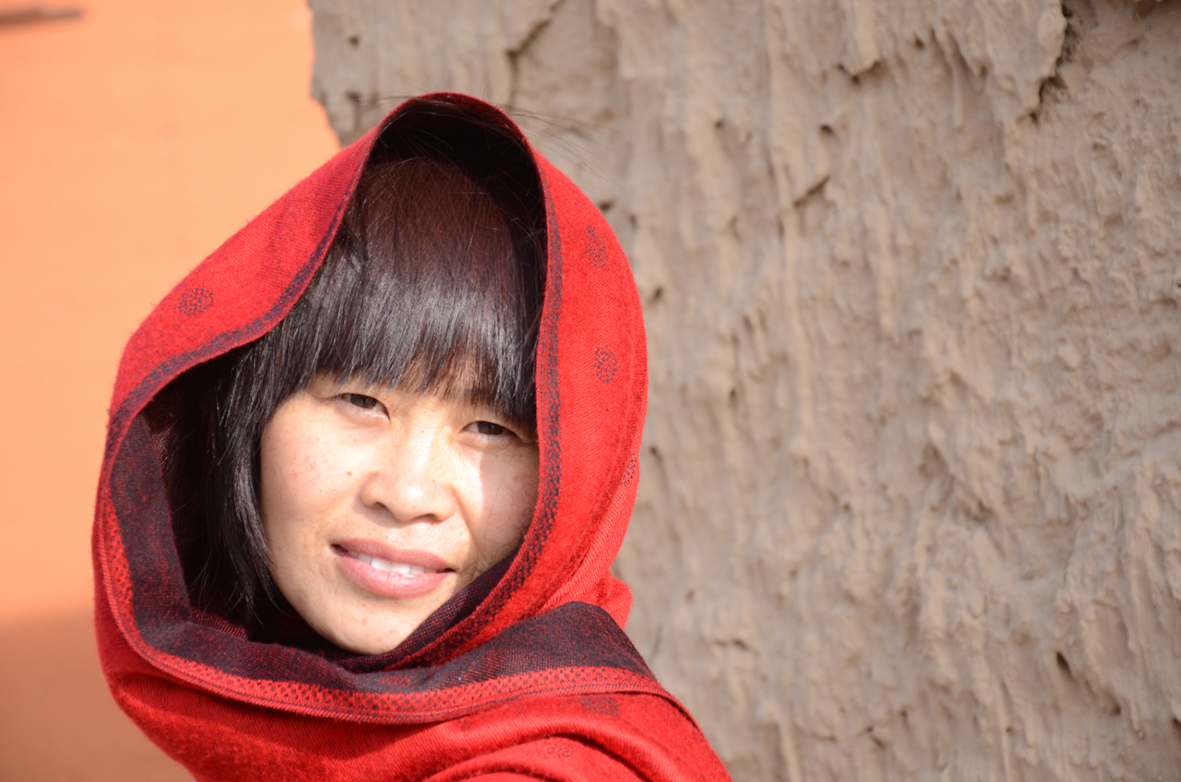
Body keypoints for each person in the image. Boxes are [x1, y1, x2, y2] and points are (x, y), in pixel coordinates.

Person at [94, 93, 731, 781]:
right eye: (360, 401)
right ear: (247, 416)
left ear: (577, 484)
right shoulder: (282, 702)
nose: (406, 494)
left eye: (490, 428)